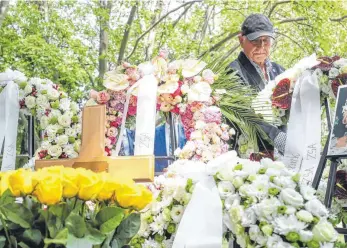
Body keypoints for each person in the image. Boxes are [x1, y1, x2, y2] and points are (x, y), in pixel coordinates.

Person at [228, 13, 286, 155]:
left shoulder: (279, 71)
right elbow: (246, 115)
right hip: (250, 153)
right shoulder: (233, 72)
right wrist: (278, 137)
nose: (261, 47)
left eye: (266, 41)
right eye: (255, 41)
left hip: (283, 153)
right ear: (241, 40)